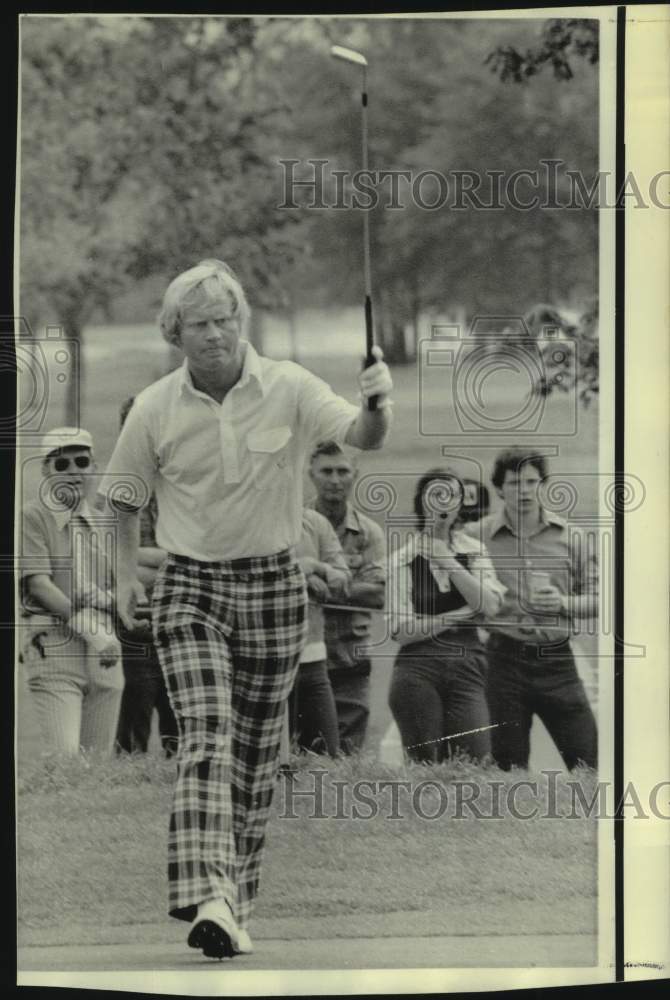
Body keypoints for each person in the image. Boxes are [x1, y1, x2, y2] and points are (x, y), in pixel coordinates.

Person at [98, 259, 393, 960]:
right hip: (190, 588)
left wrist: (380, 402)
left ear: (242, 323)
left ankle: (231, 904)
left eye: (226, 320)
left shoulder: (288, 384)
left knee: (257, 754)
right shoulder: (154, 407)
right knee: (205, 734)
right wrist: (120, 578)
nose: (216, 334)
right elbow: (120, 502)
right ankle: (208, 894)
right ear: (177, 333)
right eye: (200, 324)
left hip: (273, 585)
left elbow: (363, 436)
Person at [466, 447, 598, 772]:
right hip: (502, 660)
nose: (523, 491)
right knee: (508, 766)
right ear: (499, 487)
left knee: (589, 763)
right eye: (514, 483)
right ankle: (513, 822)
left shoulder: (572, 538)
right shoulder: (475, 537)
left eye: (531, 481)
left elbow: (597, 600)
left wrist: (563, 603)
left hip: (557, 661)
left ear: (543, 484)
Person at [387, 468, 505, 764]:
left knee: (475, 762)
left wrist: (445, 559)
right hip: (417, 671)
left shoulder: (474, 550)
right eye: (435, 494)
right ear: (422, 502)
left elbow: (490, 605)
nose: (443, 504)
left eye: (451, 495)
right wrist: (461, 613)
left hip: (468, 667)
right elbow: (402, 630)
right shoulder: (402, 559)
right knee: (426, 769)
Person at [19, 428, 124, 755]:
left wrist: (110, 600)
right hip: (57, 647)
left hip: (105, 655)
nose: (74, 471)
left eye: (82, 461)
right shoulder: (32, 516)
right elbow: (39, 584)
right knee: (65, 760)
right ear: (46, 470)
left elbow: (119, 583)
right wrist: (91, 630)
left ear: (94, 466)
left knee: (97, 764)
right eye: (62, 464)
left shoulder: (104, 521)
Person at [307, 441, 386, 753]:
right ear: (310, 474)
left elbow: (378, 594)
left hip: (350, 662)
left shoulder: (368, 533)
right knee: (303, 755)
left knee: (347, 756)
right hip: (302, 657)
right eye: (326, 471)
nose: (335, 479)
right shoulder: (295, 525)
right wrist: (351, 583)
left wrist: (320, 582)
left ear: (356, 474)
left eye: (343, 471)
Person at [115, 397, 178, 757]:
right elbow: (111, 558)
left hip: (178, 621)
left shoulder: (183, 487)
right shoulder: (117, 488)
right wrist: (174, 559)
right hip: (135, 625)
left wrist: (140, 563)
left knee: (181, 723)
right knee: (132, 723)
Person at [290, 508, 351, 757]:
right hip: (263, 661)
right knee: (273, 762)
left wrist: (316, 567)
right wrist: (298, 573)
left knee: (328, 757)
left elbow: (343, 581)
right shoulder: (249, 517)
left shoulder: (314, 522)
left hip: (313, 662)